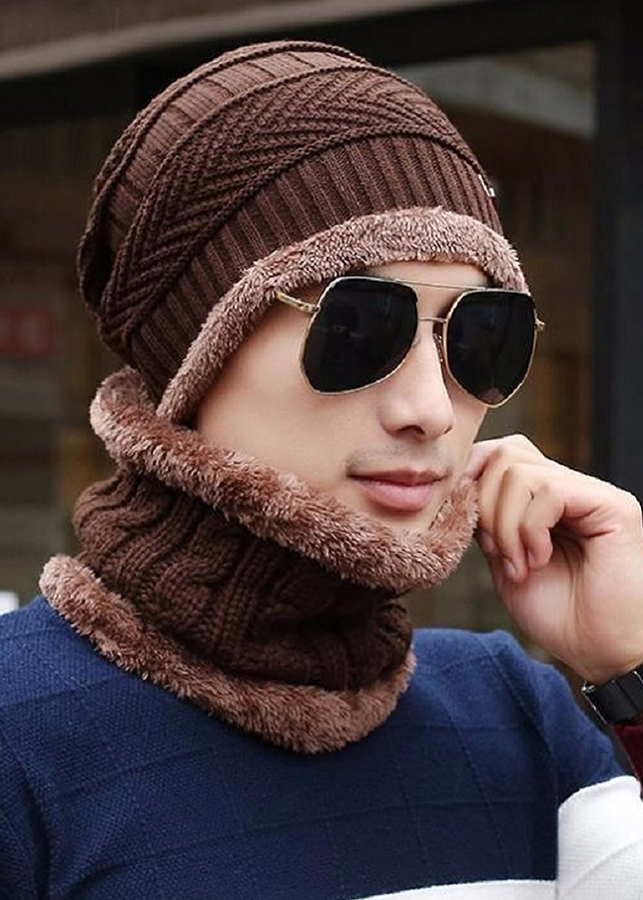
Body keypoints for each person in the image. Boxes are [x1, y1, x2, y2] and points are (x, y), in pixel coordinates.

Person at [1, 40, 643, 900]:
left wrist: (630, 664)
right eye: (359, 326)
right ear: (194, 361)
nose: (430, 407)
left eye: (482, 334)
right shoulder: (19, 730)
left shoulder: (518, 716)